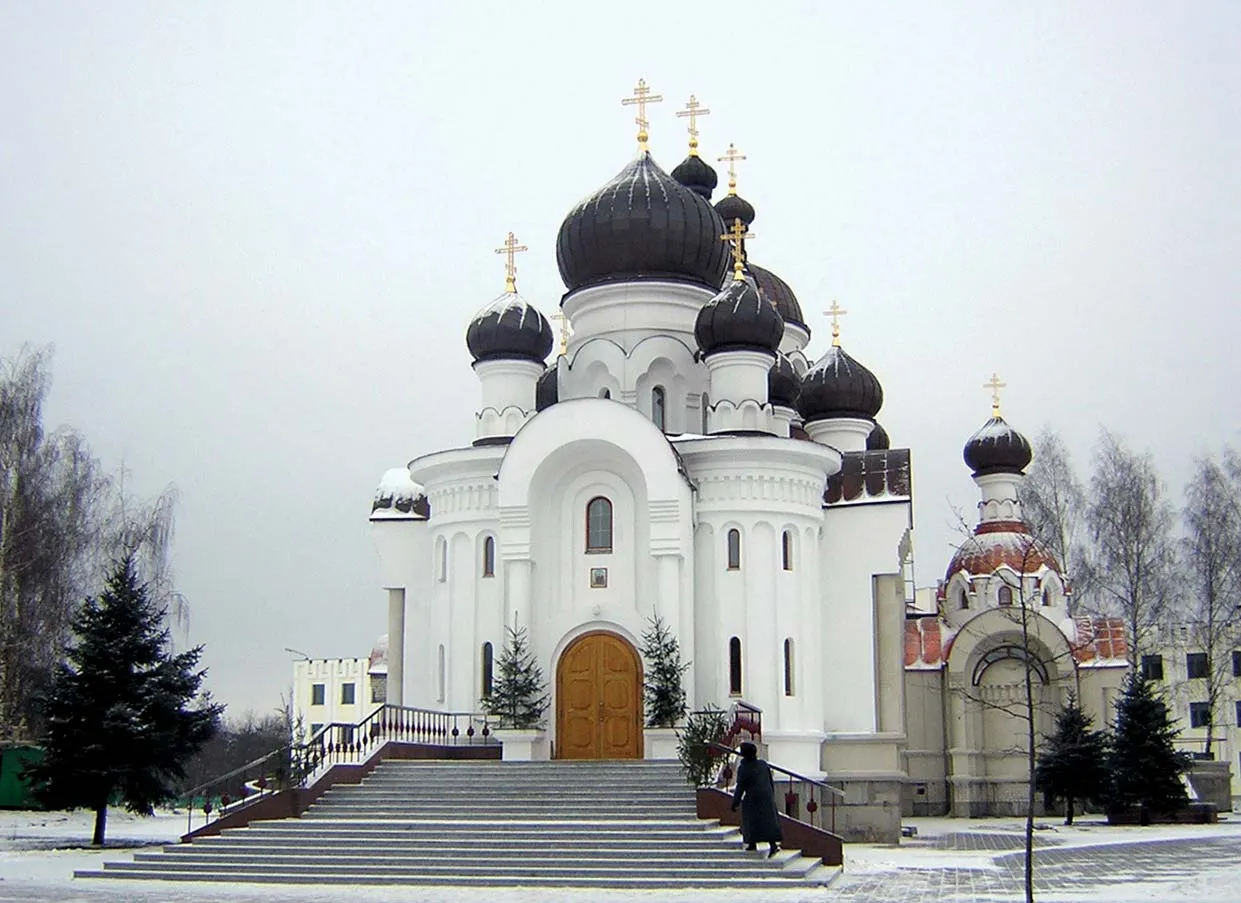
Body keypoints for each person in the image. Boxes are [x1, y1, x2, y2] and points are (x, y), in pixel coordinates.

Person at [730, 741, 782, 857]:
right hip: (766, 797)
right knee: (768, 821)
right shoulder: (763, 764)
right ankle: (772, 844)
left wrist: (735, 802)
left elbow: (740, 786)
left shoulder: (744, 768)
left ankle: (752, 843)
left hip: (752, 798)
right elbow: (770, 780)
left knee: (751, 820)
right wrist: (771, 795)